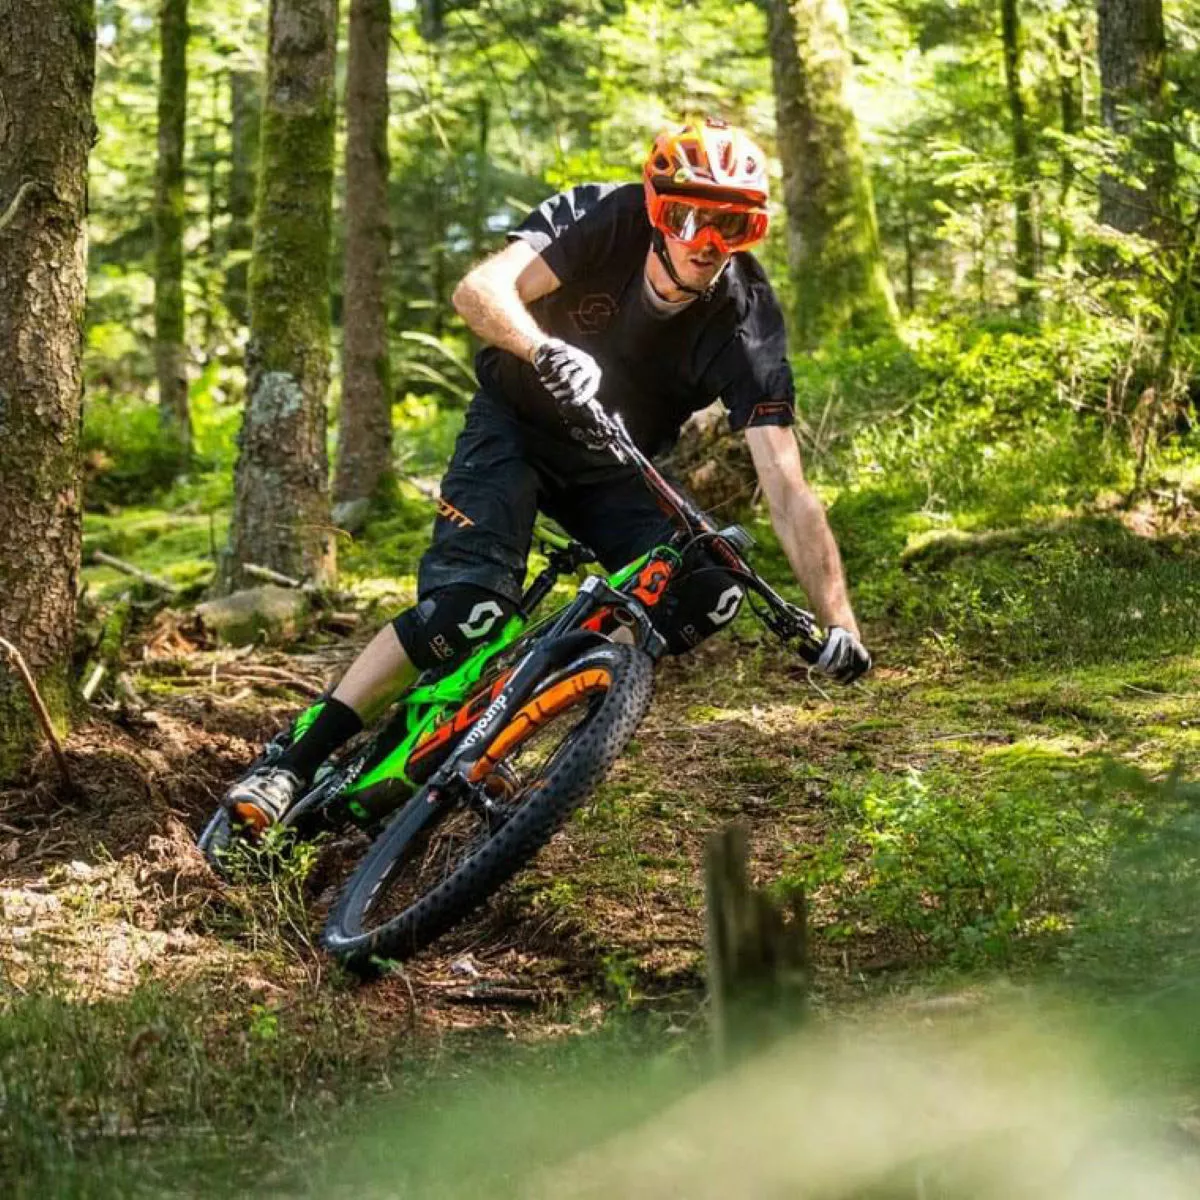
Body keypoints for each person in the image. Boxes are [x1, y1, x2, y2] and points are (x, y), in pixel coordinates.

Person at [224, 117, 872, 832]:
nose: (708, 242)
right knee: (468, 609)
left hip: (614, 462)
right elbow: (479, 291)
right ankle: (292, 761)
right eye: (689, 218)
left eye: (734, 226)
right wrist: (543, 350)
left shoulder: (746, 321)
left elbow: (787, 485)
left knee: (710, 587)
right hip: (514, 426)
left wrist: (838, 623)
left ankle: (520, 722)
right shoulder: (607, 217)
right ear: (657, 212)